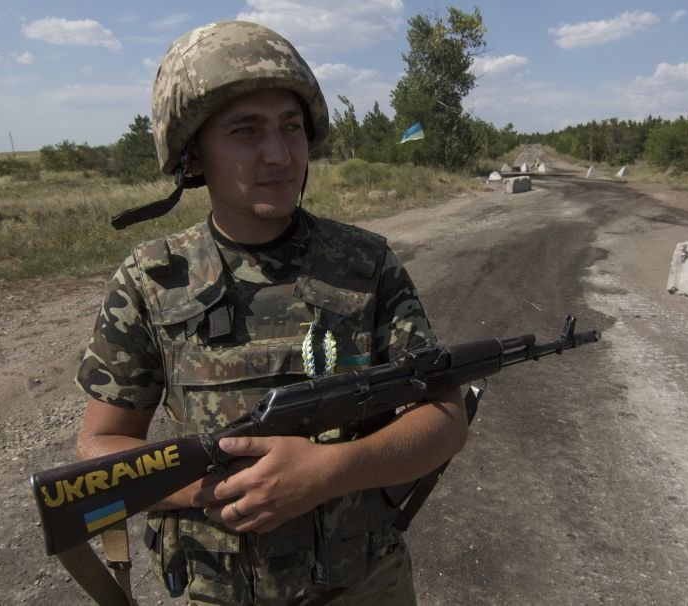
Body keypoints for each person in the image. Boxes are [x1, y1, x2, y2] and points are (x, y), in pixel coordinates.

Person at [74, 20, 467, 605]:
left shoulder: (366, 263)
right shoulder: (151, 280)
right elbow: (99, 450)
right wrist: (212, 489)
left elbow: (444, 420)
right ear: (194, 155)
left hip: (364, 587)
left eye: (291, 128)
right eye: (245, 131)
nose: (279, 154)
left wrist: (328, 471)